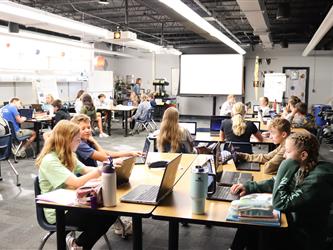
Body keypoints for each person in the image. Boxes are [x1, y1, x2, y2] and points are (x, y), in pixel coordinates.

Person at [230, 133, 333, 250]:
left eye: (288, 152)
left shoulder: (317, 180)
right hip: (293, 221)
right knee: (249, 222)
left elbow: (281, 203)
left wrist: (284, 166)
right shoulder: (303, 167)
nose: (284, 156)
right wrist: (249, 187)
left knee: (259, 228)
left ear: (303, 155)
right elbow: (276, 182)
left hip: (304, 236)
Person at [35, 120, 116, 250]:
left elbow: (85, 170)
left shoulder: (68, 154)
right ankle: (80, 245)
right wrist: (100, 171)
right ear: (65, 140)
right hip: (57, 211)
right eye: (77, 140)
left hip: (71, 203)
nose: (79, 143)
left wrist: (105, 167)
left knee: (110, 212)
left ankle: (79, 245)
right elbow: (76, 182)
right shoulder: (50, 160)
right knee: (105, 214)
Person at [71, 114, 142, 167]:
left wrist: (130, 153)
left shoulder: (87, 140)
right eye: (83, 129)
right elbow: (105, 158)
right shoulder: (80, 144)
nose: (87, 130)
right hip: (86, 177)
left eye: (89, 127)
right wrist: (94, 141)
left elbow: (107, 153)